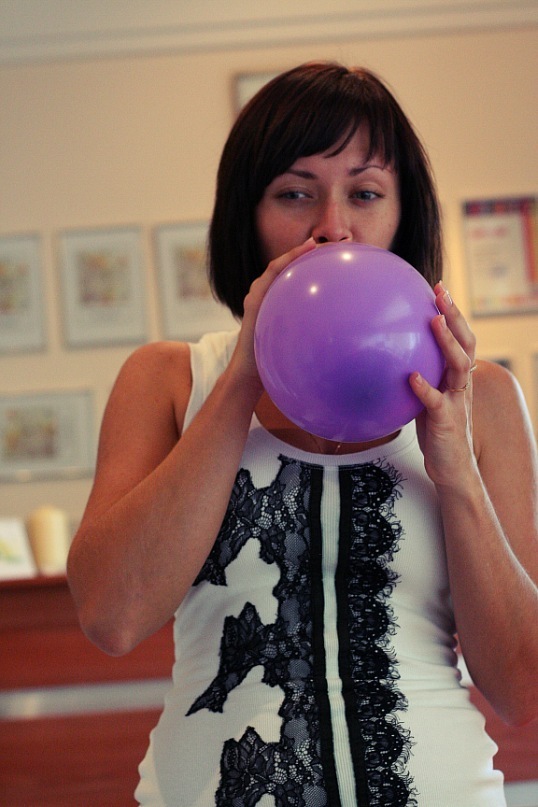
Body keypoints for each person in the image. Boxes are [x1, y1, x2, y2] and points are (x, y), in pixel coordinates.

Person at [67, 62, 538, 806]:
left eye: (366, 193)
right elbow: (112, 617)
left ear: (403, 216)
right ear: (246, 215)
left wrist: (457, 471)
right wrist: (243, 378)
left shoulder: (485, 398)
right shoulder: (169, 381)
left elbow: (522, 689)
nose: (333, 226)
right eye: (294, 193)